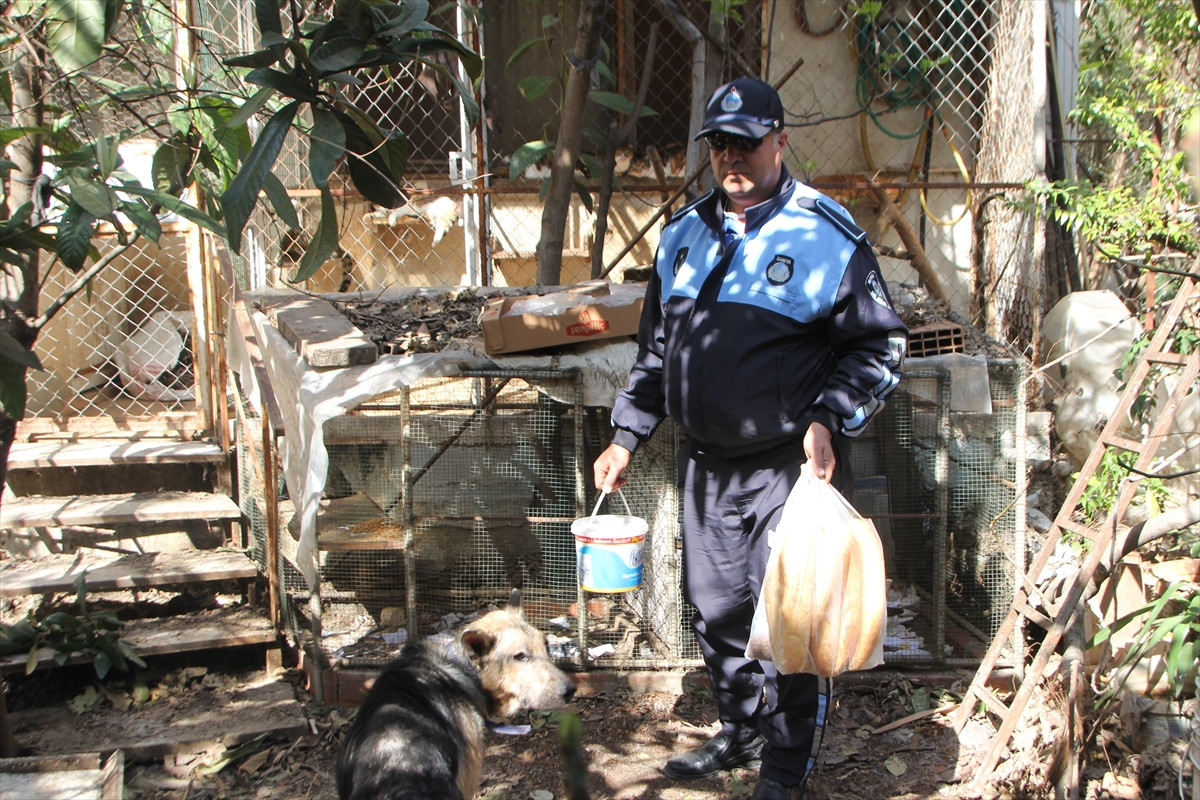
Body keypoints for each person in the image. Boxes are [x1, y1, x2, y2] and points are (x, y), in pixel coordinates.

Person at [593, 77, 908, 800]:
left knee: (788, 621)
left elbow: (880, 346)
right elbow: (655, 354)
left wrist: (831, 416)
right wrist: (626, 436)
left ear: (780, 142)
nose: (731, 157)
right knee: (717, 607)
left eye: (746, 142)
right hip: (705, 467)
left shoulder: (825, 235)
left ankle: (785, 766)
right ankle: (740, 729)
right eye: (719, 145)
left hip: (787, 470)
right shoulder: (682, 237)